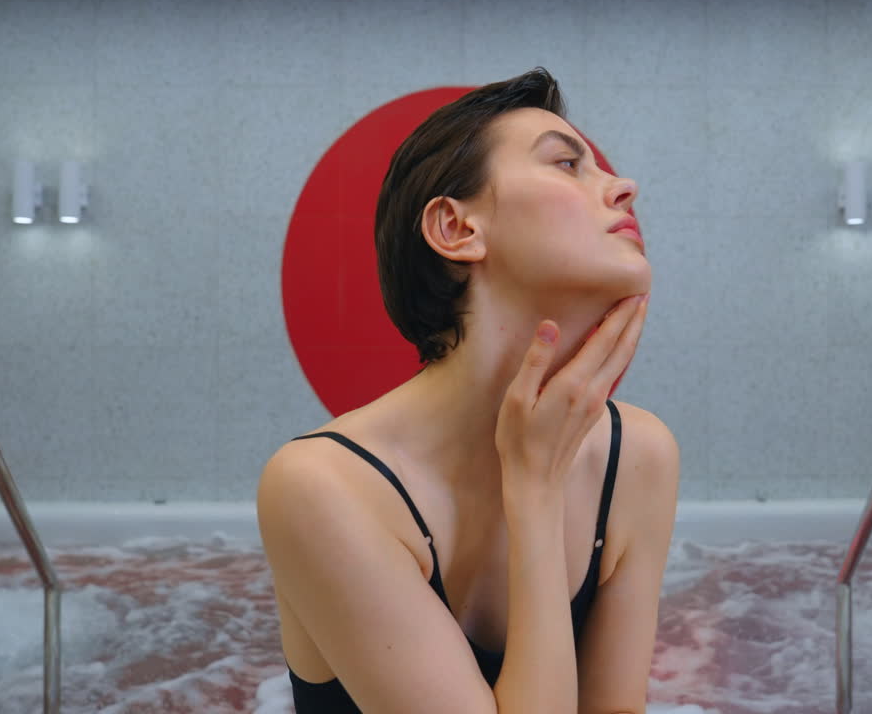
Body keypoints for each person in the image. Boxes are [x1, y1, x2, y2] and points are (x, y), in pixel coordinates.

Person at [256, 67, 680, 714]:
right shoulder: (322, 487)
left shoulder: (638, 456)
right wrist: (533, 489)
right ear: (457, 230)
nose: (624, 186)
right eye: (567, 164)